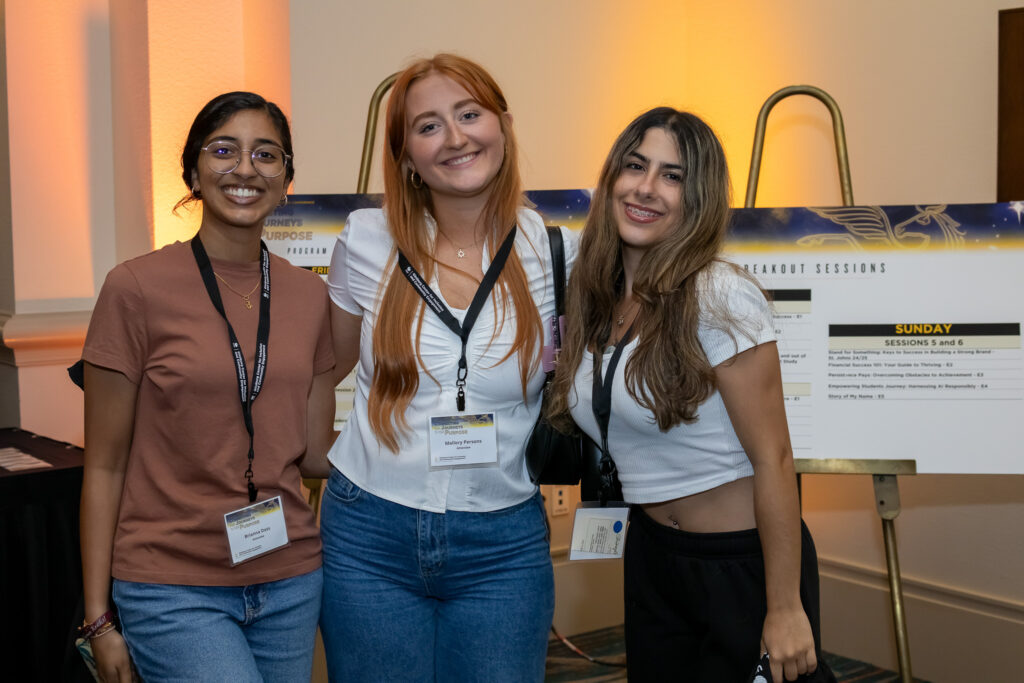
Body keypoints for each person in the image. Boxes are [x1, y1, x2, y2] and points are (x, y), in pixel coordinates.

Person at [547, 107, 836, 683]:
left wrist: (783, 607)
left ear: (697, 197)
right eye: (635, 165)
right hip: (652, 557)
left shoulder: (718, 294)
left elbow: (774, 458)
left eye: (672, 175)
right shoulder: (596, 298)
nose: (646, 188)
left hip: (740, 563)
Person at [320, 54, 573, 682]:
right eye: (429, 126)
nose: (456, 138)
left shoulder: (554, 249)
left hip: (502, 543)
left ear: (503, 126)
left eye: (469, 114)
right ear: (406, 154)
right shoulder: (365, 238)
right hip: (368, 534)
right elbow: (320, 368)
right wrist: (306, 456)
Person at [79, 91, 336, 683]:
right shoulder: (136, 288)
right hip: (172, 585)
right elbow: (105, 467)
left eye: (266, 155)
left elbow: (317, 453)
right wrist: (97, 619)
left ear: (287, 179)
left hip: (290, 578)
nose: (245, 169)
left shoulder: (311, 296)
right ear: (194, 170)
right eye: (224, 150)